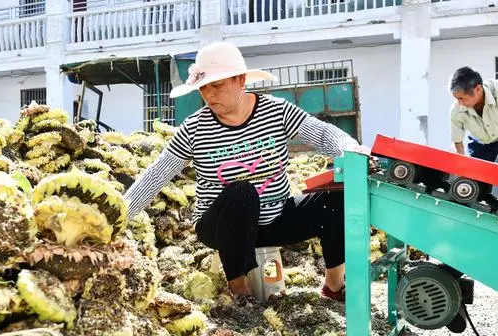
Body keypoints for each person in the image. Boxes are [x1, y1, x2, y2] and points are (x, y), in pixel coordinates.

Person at [123, 41, 369, 301]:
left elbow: (320, 132)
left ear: (240, 80)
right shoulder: (195, 128)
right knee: (242, 191)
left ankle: (333, 284)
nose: (209, 95)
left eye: (216, 85)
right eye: (203, 88)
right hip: (221, 226)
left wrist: (349, 149)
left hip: (275, 217)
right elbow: (157, 173)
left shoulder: (276, 111)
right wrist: (121, 214)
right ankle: (239, 289)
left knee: (337, 197)